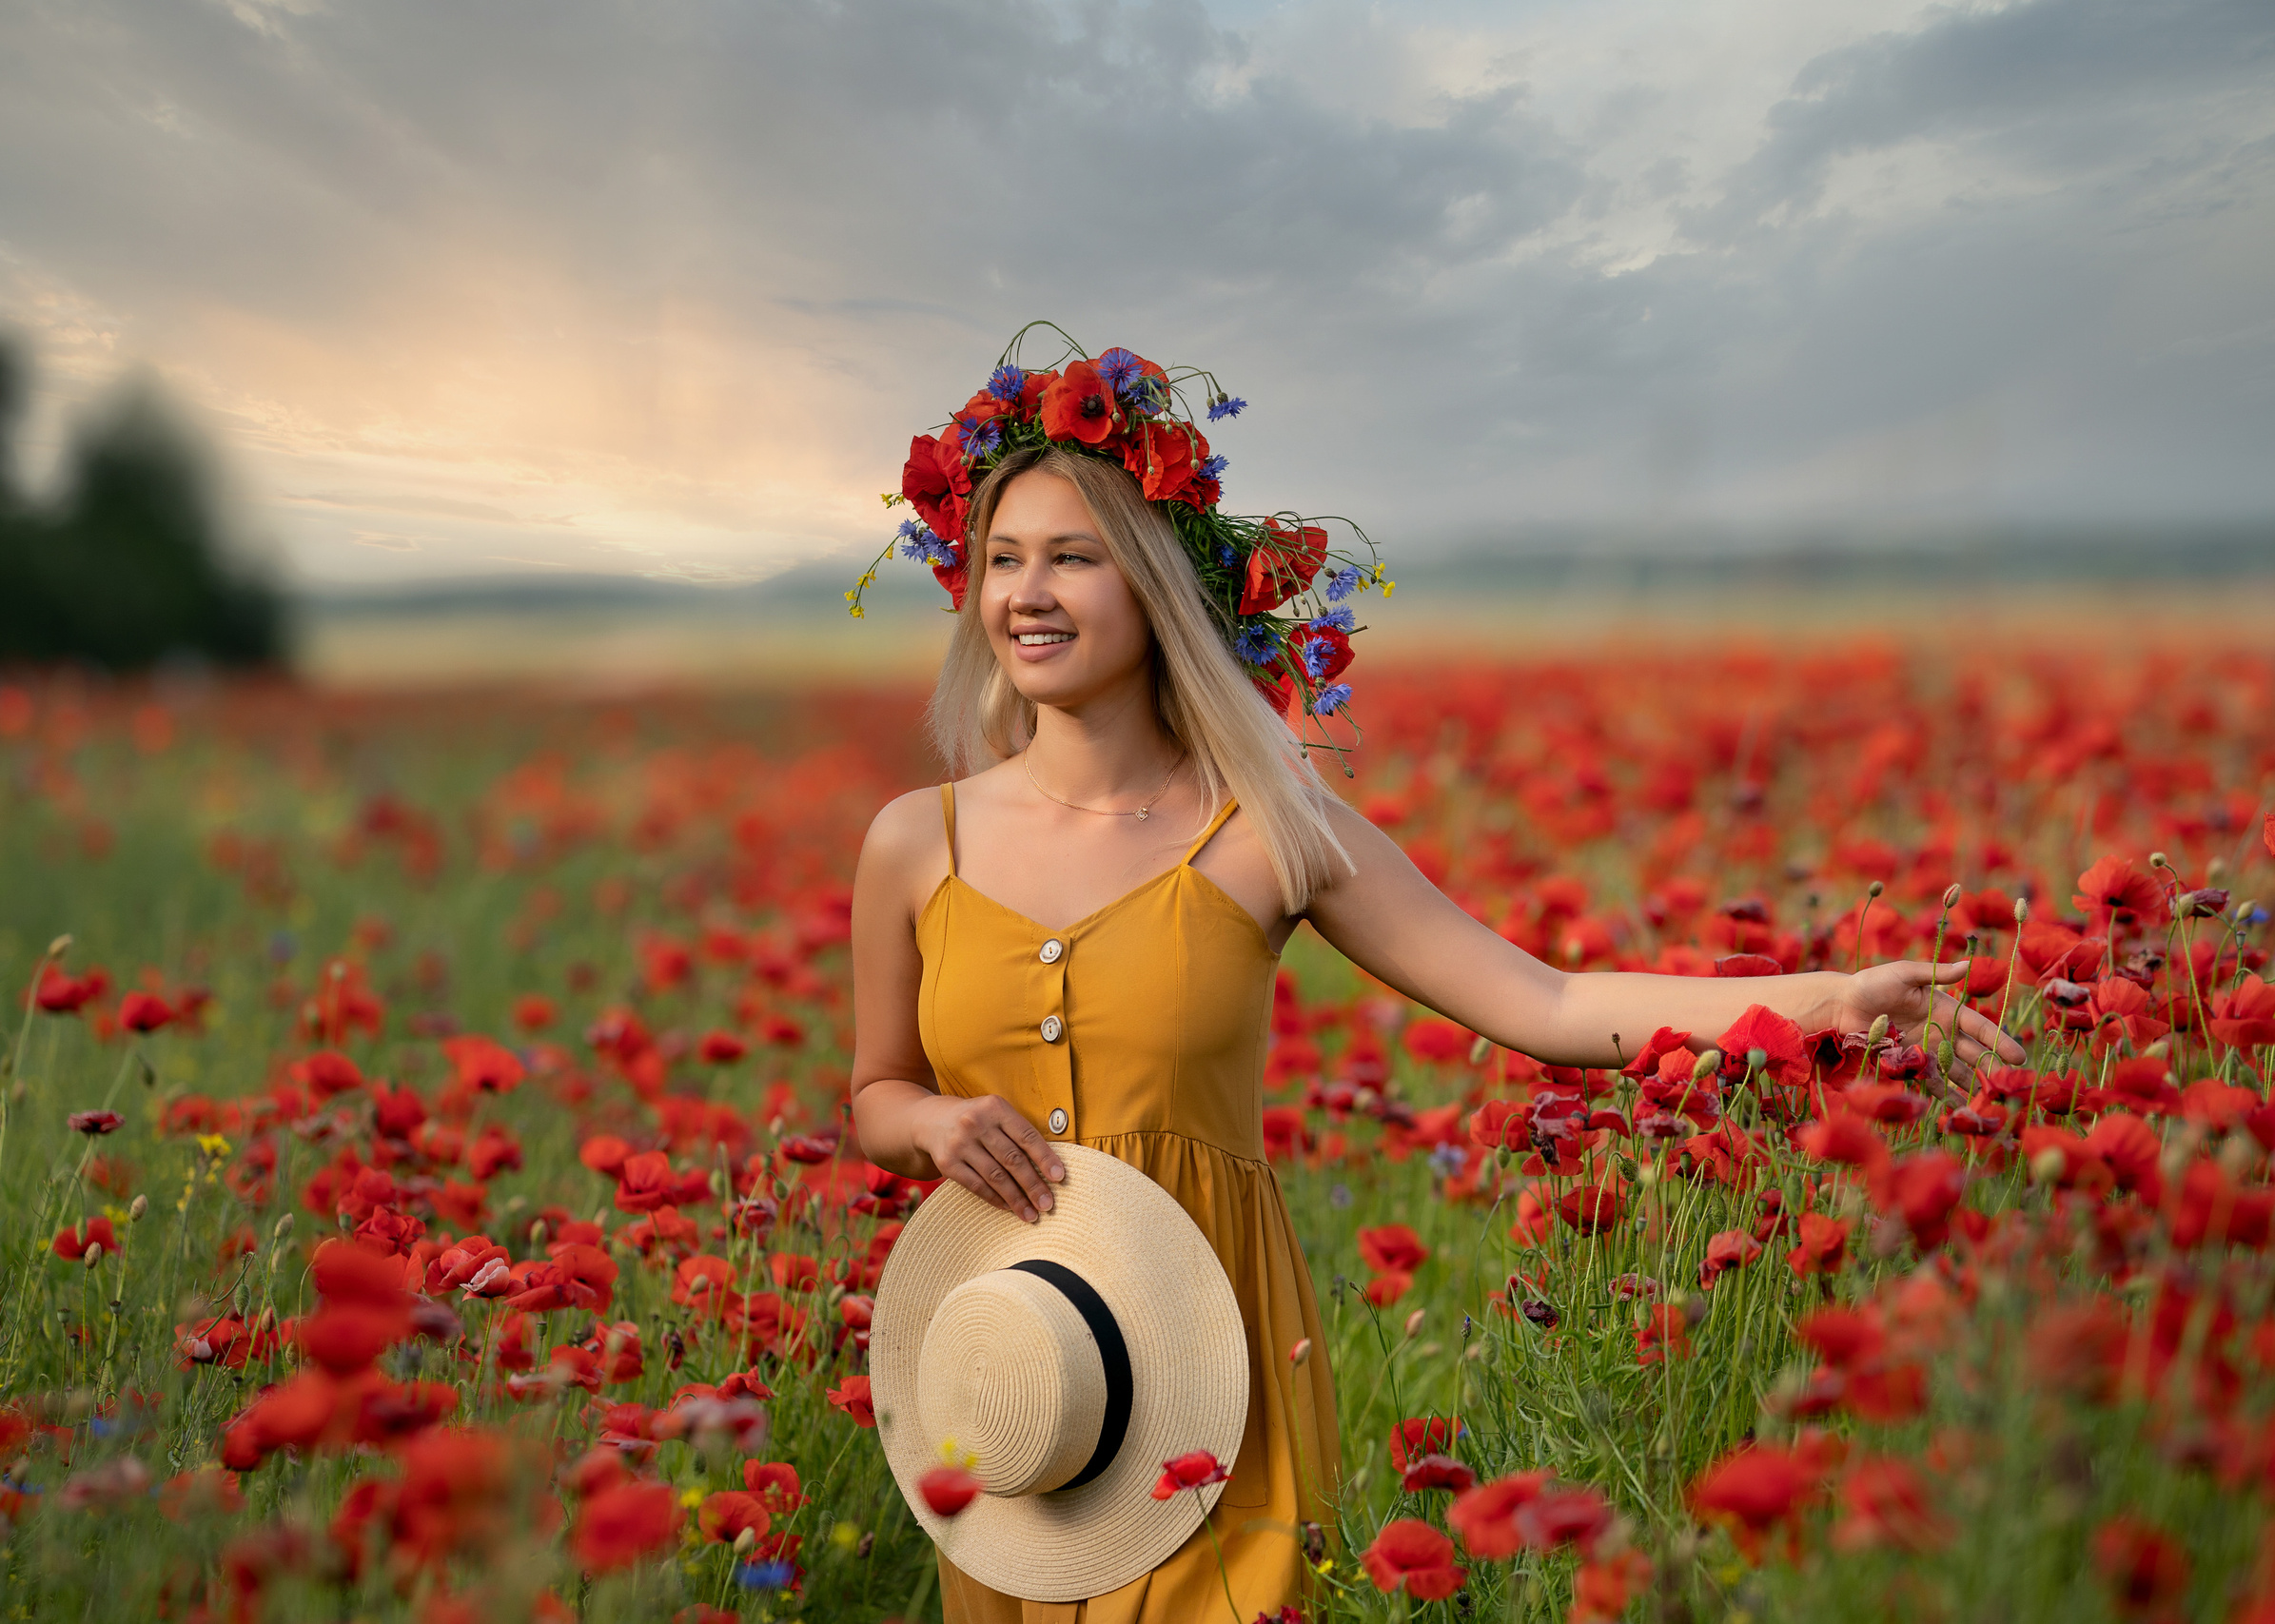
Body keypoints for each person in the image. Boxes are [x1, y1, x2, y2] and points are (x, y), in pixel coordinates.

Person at [848, 338, 2027, 1623]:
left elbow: (1550, 1005)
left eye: (1073, 557)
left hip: (1200, 1362)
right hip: (1014, 1372)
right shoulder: (917, 841)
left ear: (1156, 587)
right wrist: (933, 1123)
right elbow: (877, 1093)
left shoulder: (1265, 832)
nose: (1029, 593)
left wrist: (1825, 997)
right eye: (1005, 560)